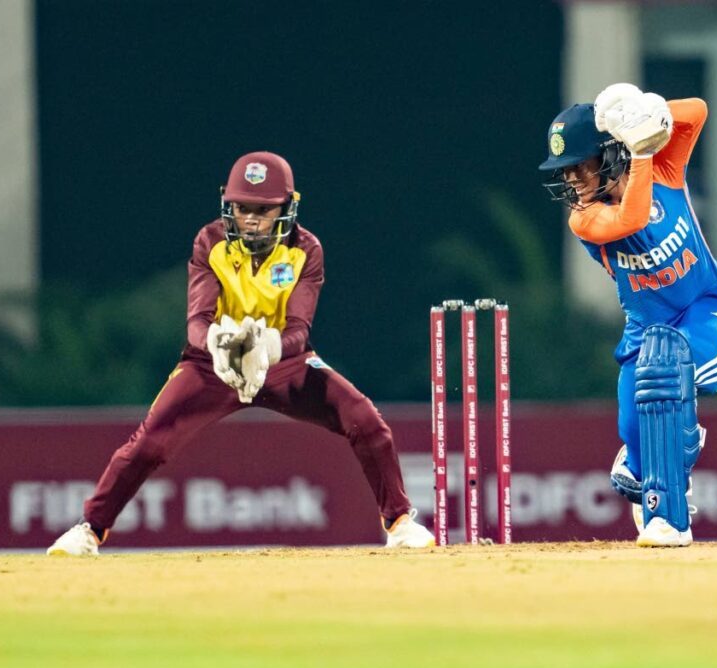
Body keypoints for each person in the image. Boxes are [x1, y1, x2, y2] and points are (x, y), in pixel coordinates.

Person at [48, 151, 434, 555]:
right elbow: (197, 319)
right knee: (148, 442)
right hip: (214, 363)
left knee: (364, 419)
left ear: (287, 207)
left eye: (263, 210)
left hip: (283, 362)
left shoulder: (306, 249)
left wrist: (270, 346)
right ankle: (89, 530)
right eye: (242, 207)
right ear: (227, 204)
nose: (250, 219)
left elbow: (299, 330)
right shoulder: (210, 240)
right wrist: (216, 344)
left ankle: (400, 521)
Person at [538, 84, 717, 547]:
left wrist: (641, 115)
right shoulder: (585, 219)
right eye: (565, 170)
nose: (572, 178)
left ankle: (676, 473)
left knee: (668, 380)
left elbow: (696, 111)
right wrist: (636, 151)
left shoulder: (665, 168)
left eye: (579, 164)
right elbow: (631, 219)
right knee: (635, 434)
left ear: (607, 154)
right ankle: (651, 468)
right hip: (646, 332)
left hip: (712, 309)